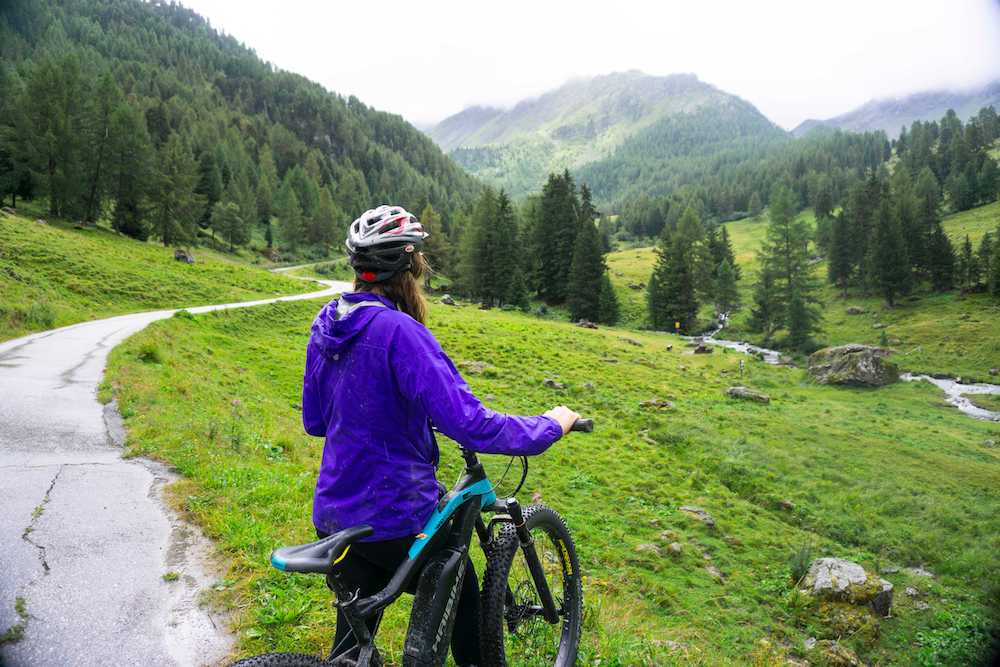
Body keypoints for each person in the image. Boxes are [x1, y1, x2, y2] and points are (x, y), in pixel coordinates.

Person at [301, 205, 579, 665]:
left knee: (352, 646)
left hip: (334, 512)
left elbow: (315, 421)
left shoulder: (327, 323)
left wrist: (390, 412)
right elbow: (470, 423)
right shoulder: (400, 332)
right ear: (411, 267)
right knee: (462, 588)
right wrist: (551, 425)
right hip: (392, 515)